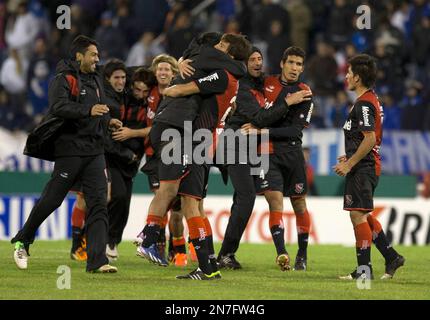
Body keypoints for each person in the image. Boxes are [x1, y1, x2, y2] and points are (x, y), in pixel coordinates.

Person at [137, 33, 251, 280]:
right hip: (203, 142)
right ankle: (208, 267)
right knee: (192, 203)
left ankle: (148, 238)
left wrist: (173, 87)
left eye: (221, 45)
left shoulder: (222, 75)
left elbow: (183, 89)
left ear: (230, 53)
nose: (216, 47)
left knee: (177, 195)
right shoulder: (232, 76)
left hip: (197, 140)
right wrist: (181, 60)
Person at [11, 35, 121, 273]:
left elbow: (97, 111)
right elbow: (58, 107)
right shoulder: (63, 78)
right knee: (52, 200)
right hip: (70, 148)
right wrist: (88, 110)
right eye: (92, 54)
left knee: (99, 203)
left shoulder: (96, 79)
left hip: (94, 150)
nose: (97, 59)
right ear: (79, 55)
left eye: (98, 54)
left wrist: (108, 120)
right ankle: (23, 240)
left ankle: (97, 261)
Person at [217, 46, 307, 269]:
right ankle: (221, 253)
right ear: (243, 63)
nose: (258, 63)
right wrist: (288, 102)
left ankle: (224, 254)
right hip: (234, 143)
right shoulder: (243, 86)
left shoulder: (262, 83)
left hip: (251, 148)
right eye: (252, 59)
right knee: (247, 197)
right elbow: (259, 117)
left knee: (241, 199)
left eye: (260, 58)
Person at [242, 47, 313, 271]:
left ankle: (302, 253)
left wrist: (261, 131)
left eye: (299, 64)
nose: (295, 68)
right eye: (291, 62)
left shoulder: (305, 93)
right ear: (282, 63)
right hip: (265, 153)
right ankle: (282, 253)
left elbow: (294, 132)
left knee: (299, 203)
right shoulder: (266, 83)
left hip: (292, 153)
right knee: (274, 200)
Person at [334, 54, 405, 280]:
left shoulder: (364, 103)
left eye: (348, 72)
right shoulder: (369, 99)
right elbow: (363, 138)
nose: (345, 76)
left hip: (364, 167)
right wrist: (349, 157)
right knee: (363, 213)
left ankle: (364, 271)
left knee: (357, 214)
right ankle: (391, 256)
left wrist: (351, 163)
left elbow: (370, 138)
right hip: (364, 165)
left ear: (357, 77)